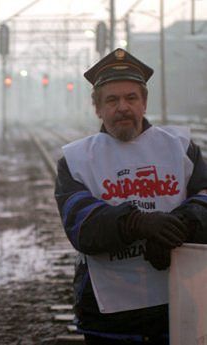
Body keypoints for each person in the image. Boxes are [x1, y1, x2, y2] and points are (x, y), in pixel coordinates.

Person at [54, 48, 207, 344]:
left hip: (178, 304)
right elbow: (79, 223)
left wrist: (178, 228)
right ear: (97, 108)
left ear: (144, 102)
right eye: (112, 100)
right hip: (109, 317)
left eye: (131, 98)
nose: (122, 107)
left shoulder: (182, 147)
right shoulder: (75, 160)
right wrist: (136, 224)